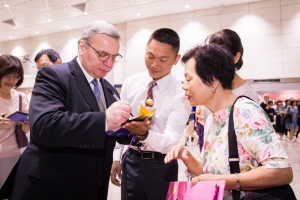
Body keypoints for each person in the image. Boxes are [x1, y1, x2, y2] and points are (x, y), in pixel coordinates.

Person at [4, 20, 132, 200]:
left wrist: (133, 129)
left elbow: (110, 131)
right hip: (52, 186)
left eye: (114, 57)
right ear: (82, 47)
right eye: (103, 54)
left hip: (91, 187)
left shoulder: (108, 88)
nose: (109, 63)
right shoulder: (54, 75)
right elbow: (43, 125)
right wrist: (104, 120)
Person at [164, 44, 293, 200]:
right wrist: (188, 158)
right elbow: (212, 175)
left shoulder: (245, 112)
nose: (183, 86)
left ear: (213, 80)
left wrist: (226, 181)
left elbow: (282, 172)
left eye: (188, 79)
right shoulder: (212, 118)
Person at [110, 28, 190, 200]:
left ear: (176, 59)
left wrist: (144, 134)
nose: (154, 64)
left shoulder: (181, 93)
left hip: (162, 166)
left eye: (163, 60)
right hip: (131, 161)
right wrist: (116, 157)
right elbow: (118, 125)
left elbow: (171, 141)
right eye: (150, 56)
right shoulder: (131, 83)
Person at [0, 55, 30, 189]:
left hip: (13, 154)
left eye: (16, 76)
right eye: (7, 75)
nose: (11, 80)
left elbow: (25, 130)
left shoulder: (20, 98)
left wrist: (26, 125)